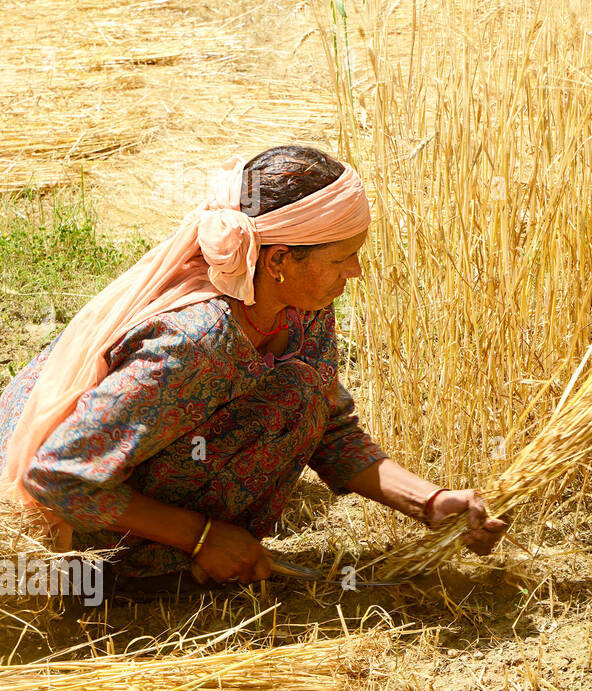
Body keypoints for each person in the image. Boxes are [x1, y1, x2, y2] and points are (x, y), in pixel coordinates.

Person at [0, 145, 507, 586]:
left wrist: (429, 501)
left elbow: (327, 427)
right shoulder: (192, 343)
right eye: (342, 258)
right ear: (280, 260)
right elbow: (59, 477)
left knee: (299, 394)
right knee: (291, 396)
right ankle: (146, 567)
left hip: (135, 472)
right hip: (83, 528)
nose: (355, 271)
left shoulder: (301, 309)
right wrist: (202, 538)